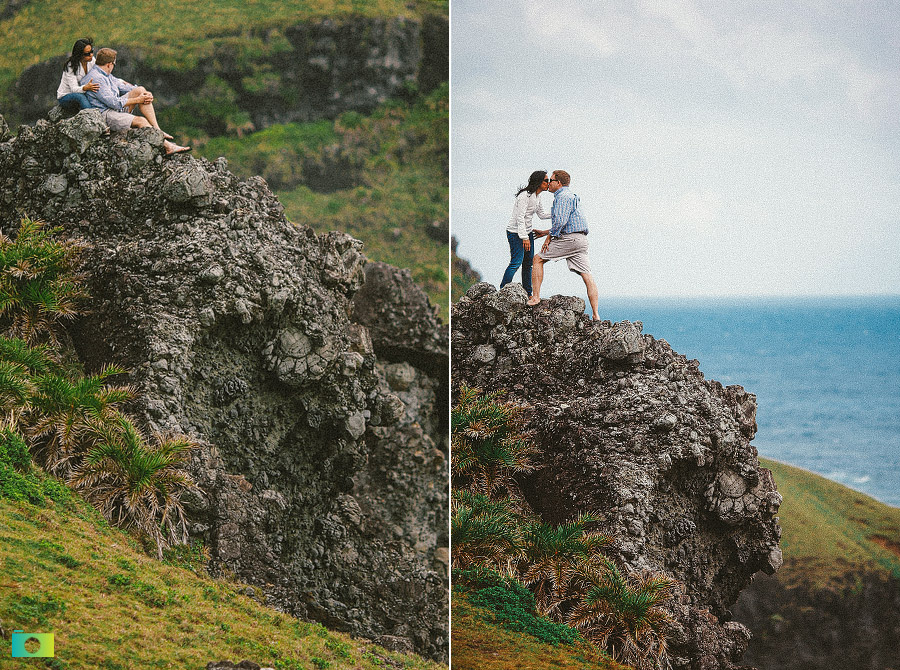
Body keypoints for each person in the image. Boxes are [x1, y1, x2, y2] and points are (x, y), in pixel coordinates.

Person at [84, 47, 190, 155]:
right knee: (141, 121)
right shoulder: (96, 79)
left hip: (114, 109)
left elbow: (123, 86)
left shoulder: (106, 75)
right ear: (109, 64)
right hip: (106, 115)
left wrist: (146, 94)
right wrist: (138, 99)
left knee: (140, 90)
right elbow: (114, 103)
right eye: (114, 64)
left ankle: (158, 129)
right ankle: (168, 147)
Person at [527, 170, 600, 320]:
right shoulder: (572, 196)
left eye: (551, 180)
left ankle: (535, 297)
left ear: (558, 183)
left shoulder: (561, 197)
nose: (549, 184)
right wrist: (546, 232)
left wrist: (549, 237)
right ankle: (596, 314)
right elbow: (569, 223)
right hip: (581, 240)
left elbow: (560, 222)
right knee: (587, 276)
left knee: (537, 259)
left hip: (569, 240)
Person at [500, 170, 551, 297]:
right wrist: (524, 238)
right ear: (539, 181)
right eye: (546, 180)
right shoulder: (524, 196)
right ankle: (503, 290)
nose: (548, 183)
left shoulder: (537, 196)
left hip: (527, 233)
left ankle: (528, 293)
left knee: (528, 264)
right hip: (515, 232)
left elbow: (542, 214)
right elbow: (520, 218)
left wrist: (557, 214)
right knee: (516, 262)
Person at [56, 38, 100, 113]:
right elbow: (74, 89)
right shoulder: (70, 66)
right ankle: (91, 116)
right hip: (67, 96)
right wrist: (85, 88)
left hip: (85, 91)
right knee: (80, 97)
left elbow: (100, 73)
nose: (91, 55)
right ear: (80, 54)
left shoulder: (92, 60)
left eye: (91, 51)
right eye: (87, 54)